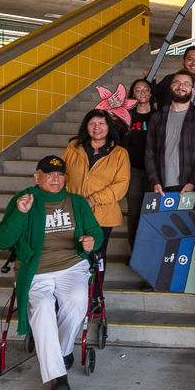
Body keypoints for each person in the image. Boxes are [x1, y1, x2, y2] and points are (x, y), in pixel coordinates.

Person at [0, 155, 102, 390]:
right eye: (49, 174)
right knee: (42, 307)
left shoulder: (76, 202)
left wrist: (92, 241)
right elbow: (1, 240)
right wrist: (20, 214)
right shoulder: (24, 200)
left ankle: (61, 352)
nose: (55, 178)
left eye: (60, 174)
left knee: (76, 300)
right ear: (36, 176)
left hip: (71, 266)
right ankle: (58, 376)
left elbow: (95, 232)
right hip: (36, 270)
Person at [62, 109, 130, 297]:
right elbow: (63, 176)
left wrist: (93, 199)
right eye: (92, 123)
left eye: (101, 123)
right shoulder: (74, 147)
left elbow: (121, 185)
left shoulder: (119, 153)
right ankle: (72, 294)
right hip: (73, 211)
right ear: (86, 126)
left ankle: (95, 295)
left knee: (97, 255)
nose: (97, 128)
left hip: (103, 215)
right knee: (73, 253)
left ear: (108, 127)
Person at [145, 69, 195, 196]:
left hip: (189, 187)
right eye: (177, 82)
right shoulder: (157, 117)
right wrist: (154, 181)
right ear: (171, 86)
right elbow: (149, 152)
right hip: (161, 186)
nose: (181, 87)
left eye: (186, 84)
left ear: (192, 90)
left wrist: (192, 182)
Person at [125, 79, 155, 252]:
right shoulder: (127, 117)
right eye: (138, 89)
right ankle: (134, 252)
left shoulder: (158, 116)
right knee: (135, 213)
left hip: (154, 173)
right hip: (133, 171)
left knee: (151, 213)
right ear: (133, 94)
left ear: (151, 93)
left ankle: (149, 254)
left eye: (146, 89)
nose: (142, 92)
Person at [147, 46, 195, 110]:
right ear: (183, 61)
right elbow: (151, 97)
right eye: (190, 59)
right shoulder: (169, 80)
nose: (194, 63)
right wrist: (150, 80)